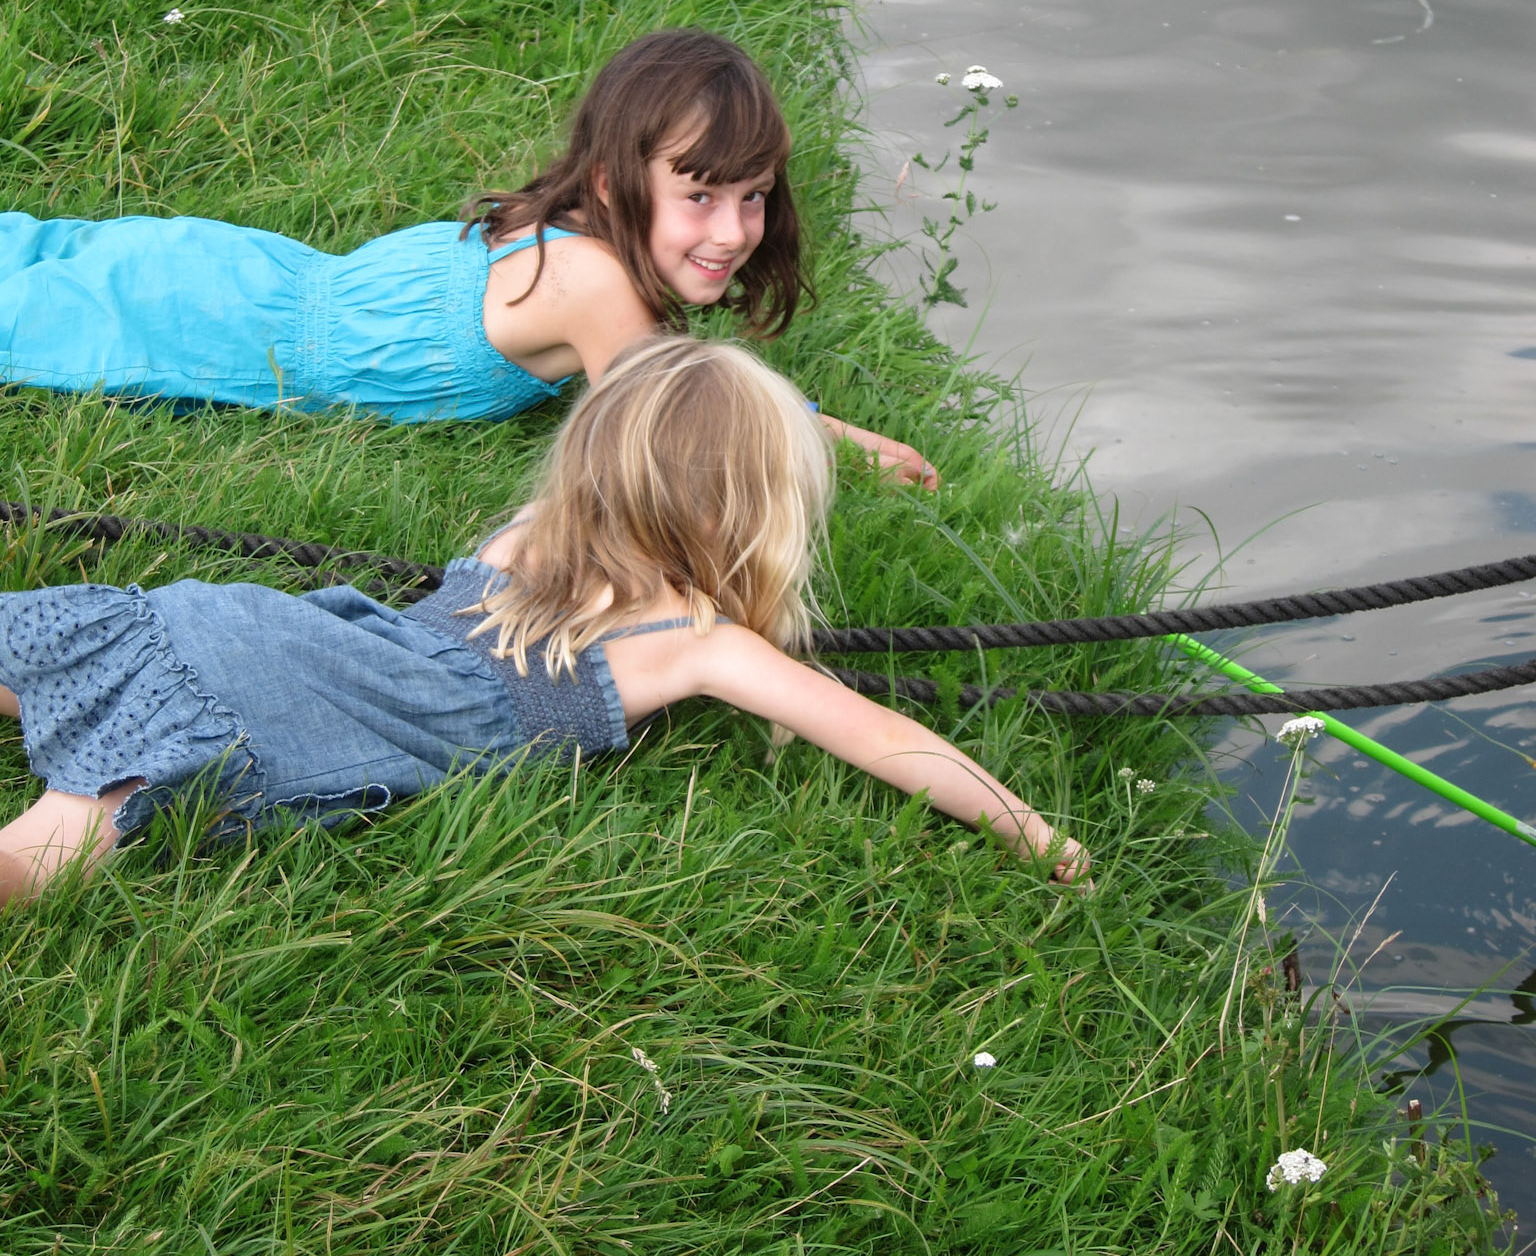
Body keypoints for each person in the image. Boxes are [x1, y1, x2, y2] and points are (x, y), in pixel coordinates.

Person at [0, 336, 1086, 906]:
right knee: (53, 852)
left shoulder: (532, 530)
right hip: (279, 706)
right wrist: (1037, 833)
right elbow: (884, 736)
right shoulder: (698, 646)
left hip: (237, 625)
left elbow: (651, 410)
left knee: (57, 665)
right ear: (759, 515)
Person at [0, 29, 935, 485]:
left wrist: (827, 426)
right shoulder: (596, 283)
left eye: (753, 195)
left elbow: (685, 378)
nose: (732, 231)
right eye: (700, 196)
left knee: (32, 252)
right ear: (614, 184)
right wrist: (849, 450)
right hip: (218, 328)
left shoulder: (572, 226)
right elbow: (694, 425)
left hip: (229, 269)